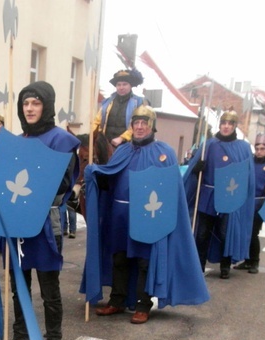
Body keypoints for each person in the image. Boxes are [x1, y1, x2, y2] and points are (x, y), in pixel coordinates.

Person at [84, 106, 208, 323]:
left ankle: (143, 304)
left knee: (144, 260)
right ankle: (117, 300)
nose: (140, 127)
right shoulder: (122, 151)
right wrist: (95, 174)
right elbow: (110, 179)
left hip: (148, 216)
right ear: (131, 126)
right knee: (119, 258)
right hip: (120, 214)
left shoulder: (164, 153)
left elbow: (172, 189)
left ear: (152, 126)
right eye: (136, 123)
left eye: (144, 123)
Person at [0, 81, 80, 340]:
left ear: (47, 106)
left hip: (45, 224)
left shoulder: (61, 141)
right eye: (25, 103)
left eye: (35, 103)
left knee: (49, 288)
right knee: (19, 285)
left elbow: (63, 183)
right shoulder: (16, 140)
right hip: (16, 223)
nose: (29, 108)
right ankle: (21, 336)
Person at [183, 109, 255, 279]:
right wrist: (196, 169)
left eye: (230, 124)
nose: (226, 126)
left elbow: (247, 175)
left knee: (225, 233)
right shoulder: (208, 145)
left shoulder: (243, 148)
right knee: (202, 234)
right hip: (208, 195)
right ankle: (199, 265)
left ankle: (225, 265)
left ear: (235, 126)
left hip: (230, 198)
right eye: (223, 123)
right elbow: (193, 171)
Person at [233, 134, 265, 274]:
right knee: (245, 232)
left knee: (253, 233)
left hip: (260, 204)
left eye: (262, 148)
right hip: (245, 203)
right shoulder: (250, 164)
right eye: (257, 148)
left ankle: (254, 261)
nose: (259, 151)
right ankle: (246, 259)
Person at [91, 68, 144, 148]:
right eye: (119, 85)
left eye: (124, 84)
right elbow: (97, 122)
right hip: (105, 144)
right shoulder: (107, 103)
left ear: (130, 86)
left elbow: (138, 126)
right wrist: (91, 135)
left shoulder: (138, 103)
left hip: (127, 144)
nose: (121, 87)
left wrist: (122, 138)